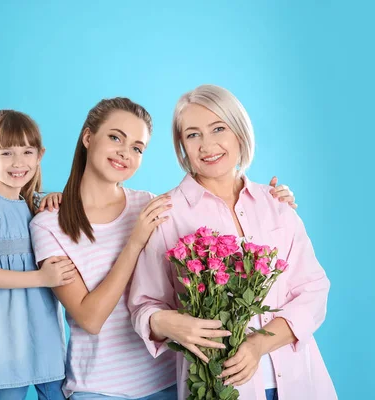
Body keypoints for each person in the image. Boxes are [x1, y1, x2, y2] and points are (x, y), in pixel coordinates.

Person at [30, 97, 297, 399]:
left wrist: (272, 200)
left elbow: (212, 216)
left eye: (137, 147)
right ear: (88, 137)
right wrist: (135, 240)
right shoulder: (49, 224)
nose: (124, 152)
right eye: (115, 137)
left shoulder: (151, 204)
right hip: (100, 388)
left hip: (171, 382)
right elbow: (90, 319)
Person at [128, 85, 337, 400]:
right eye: (193, 135)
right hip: (217, 387)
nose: (207, 144)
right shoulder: (168, 214)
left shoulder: (276, 204)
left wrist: (258, 345)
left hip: (300, 381)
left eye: (218, 128)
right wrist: (170, 323)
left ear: (239, 132)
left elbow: (314, 291)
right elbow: (145, 307)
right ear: (181, 145)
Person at [0, 110, 73, 400]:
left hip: (42, 326)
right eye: (6, 153)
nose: (18, 162)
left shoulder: (33, 204)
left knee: (56, 392)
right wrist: (42, 277)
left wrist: (53, 200)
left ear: (39, 155)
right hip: (4, 332)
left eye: (27, 151)